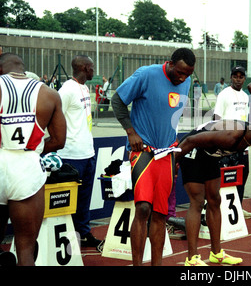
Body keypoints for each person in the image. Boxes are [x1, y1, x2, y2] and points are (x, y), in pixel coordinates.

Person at [111, 48, 195, 266]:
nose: (183, 77)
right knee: (143, 208)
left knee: (159, 214)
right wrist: (131, 132)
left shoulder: (186, 82)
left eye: (188, 74)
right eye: (180, 72)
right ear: (170, 63)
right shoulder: (146, 74)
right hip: (143, 153)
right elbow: (117, 100)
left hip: (167, 155)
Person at [176, 118, 251, 266]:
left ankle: (216, 254)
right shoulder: (232, 135)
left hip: (210, 155)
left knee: (215, 200)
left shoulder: (248, 139)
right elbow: (191, 140)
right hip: (192, 150)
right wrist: (172, 164)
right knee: (197, 202)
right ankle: (192, 259)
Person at [0, 53, 66, 265]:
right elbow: (59, 141)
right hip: (27, 166)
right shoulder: (49, 94)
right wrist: (34, 147)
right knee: (26, 248)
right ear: (23, 68)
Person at [57, 55, 103, 250]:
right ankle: (66, 239)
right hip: (70, 155)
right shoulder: (66, 90)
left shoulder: (84, 87)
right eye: (92, 67)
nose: (94, 70)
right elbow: (54, 116)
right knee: (68, 200)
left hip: (87, 152)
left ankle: (83, 233)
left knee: (84, 198)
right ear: (85, 68)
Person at [213, 66, 251, 218]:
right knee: (226, 177)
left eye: (241, 76)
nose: (238, 79)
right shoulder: (224, 94)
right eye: (235, 76)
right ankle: (221, 209)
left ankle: (238, 207)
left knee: (243, 173)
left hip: (242, 143)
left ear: (244, 79)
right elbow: (216, 118)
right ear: (231, 77)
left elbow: (247, 119)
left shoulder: (246, 96)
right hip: (227, 142)